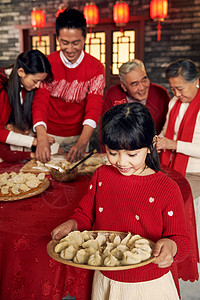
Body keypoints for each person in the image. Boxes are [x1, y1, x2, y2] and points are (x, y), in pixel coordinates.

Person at [52, 102, 190, 300]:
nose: (121, 162)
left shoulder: (167, 188)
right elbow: (84, 214)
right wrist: (73, 223)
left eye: (132, 154)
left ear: (151, 145)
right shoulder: (101, 175)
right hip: (106, 277)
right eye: (113, 153)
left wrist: (171, 246)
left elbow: (181, 240)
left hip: (148, 285)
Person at [32, 8, 105, 163]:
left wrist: (83, 142)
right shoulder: (48, 63)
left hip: (79, 136)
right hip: (49, 134)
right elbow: (40, 103)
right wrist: (42, 136)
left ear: (85, 38)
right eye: (64, 43)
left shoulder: (96, 67)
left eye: (76, 43)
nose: (70, 49)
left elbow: (94, 107)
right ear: (58, 38)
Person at [99, 59, 170, 152]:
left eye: (144, 80)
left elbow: (170, 127)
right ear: (124, 86)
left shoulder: (161, 93)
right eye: (134, 84)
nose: (141, 87)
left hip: (154, 152)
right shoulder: (112, 94)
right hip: (122, 152)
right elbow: (105, 130)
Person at [156, 59, 200, 198]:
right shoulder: (174, 102)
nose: (176, 94)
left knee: (171, 199)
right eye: (173, 89)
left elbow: (173, 142)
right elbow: (165, 131)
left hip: (195, 173)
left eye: (180, 89)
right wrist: (159, 140)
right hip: (171, 166)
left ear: (196, 82)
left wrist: (174, 145)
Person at [0, 49, 54, 152]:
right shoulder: (2, 85)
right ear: (21, 72)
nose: (38, 86)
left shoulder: (27, 87)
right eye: (35, 81)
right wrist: (33, 141)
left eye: (41, 81)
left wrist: (42, 138)